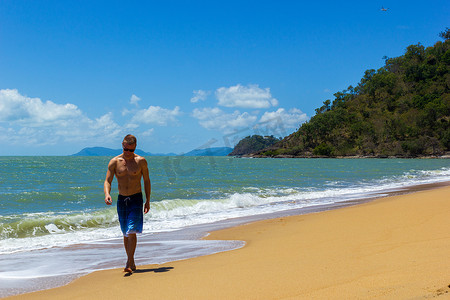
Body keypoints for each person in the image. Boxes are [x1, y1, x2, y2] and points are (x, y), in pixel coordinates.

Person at [104, 134, 151, 273]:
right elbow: (108, 181)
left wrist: (148, 200)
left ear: (135, 147)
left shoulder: (141, 161)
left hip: (136, 198)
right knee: (125, 233)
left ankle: (129, 263)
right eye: (126, 150)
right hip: (122, 200)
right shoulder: (114, 161)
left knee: (131, 231)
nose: (128, 153)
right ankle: (132, 261)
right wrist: (107, 194)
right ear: (122, 146)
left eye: (131, 150)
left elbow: (147, 181)